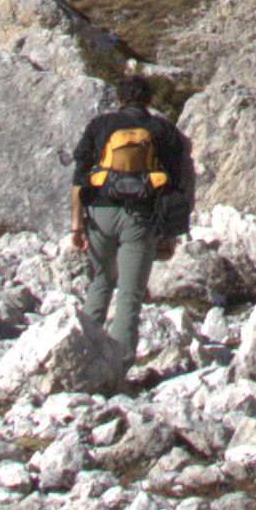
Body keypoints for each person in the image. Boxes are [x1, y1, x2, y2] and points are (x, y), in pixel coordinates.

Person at [69, 75, 192, 368]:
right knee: (130, 292)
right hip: (141, 218)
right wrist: (170, 233)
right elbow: (178, 184)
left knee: (100, 281)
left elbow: (78, 180)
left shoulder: (100, 126)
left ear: (120, 99)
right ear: (148, 101)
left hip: (100, 213)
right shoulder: (162, 130)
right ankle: (120, 366)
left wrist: (76, 224)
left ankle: (85, 357)